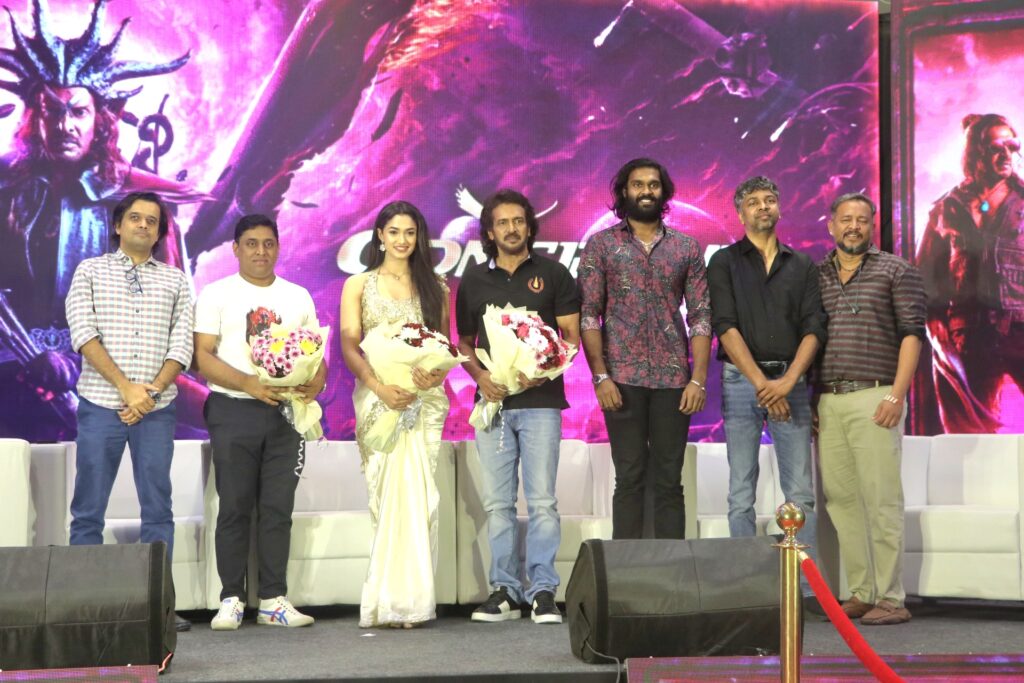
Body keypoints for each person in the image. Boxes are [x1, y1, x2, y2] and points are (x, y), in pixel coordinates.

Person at [0, 0, 204, 441]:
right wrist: (32, 359)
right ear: (35, 118)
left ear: (99, 121)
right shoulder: (7, 195)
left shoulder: (138, 203)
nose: (65, 125)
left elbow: (166, 313)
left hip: (121, 373)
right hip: (15, 371)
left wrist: (88, 362)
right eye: (52, 111)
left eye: (78, 112)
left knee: (214, 427)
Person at [65, 191, 193, 629]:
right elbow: (83, 333)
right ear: (118, 225)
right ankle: (82, 607)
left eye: (151, 221)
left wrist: (149, 393)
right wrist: (126, 388)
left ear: (159, 233)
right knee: (88, 509)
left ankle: (156, 609)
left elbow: (182, 345)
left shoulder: (175, 280)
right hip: (101, 404)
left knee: (157, 509)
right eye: (135, 218)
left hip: (156, 410)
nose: (143, 225)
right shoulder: (90, 271)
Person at [194, 214, 325, 630]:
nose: (260, 251)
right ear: (236, 248)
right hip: (233, 408)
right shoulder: (216, 293)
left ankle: (273, 599)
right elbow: (202, 357)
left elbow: (315, 353)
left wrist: (316, 383)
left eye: (268, 243)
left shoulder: (297, 295)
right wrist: (248, 384)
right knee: (234, 506)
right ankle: (231, 598)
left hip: (286, 413)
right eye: (251, 243)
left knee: (277, 508)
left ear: (278, 248)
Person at [456, 189, 580, 624]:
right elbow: (464, 343)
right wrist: (480, 377)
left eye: (518, 221)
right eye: (502, 223)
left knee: (543, 501)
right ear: (489, 232)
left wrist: (544, 370)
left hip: (542, 402)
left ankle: (543, 591)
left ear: (529, 226)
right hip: (493, 406)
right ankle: (505, 591)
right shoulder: (474, 279)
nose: (511, 229)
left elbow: (570, 337)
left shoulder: (554, 273)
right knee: (498, 504)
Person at [707, 176, 826, 606]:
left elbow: (815, 327)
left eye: (770, 200)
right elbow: (724, 325)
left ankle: (806, 590)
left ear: (779, 208)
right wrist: (764, 386)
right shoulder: (723, 262)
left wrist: (788, 383)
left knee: (801, 493)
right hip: (743, 383)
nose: (763, 207)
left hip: (791, 381)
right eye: (754, 202)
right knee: (741, 490)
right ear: (740, 213)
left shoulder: (802, 264)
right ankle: (746, 589)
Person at [577, 157, 711, 539]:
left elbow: (701, 316)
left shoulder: (686, 247)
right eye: (638, 184)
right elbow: (589, 315)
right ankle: (625, 570)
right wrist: (600, 377)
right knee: (629, 477)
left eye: (653, 184)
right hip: (621, 380)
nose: (646, 191)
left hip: (674, 381)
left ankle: (672, 568)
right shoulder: (601, 245)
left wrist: (698, 380)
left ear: (663, 192)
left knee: (669, 480)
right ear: (625, 191)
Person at [339, 200, 451, 628]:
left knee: (421, 498)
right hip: (378, 397)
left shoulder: (436, 287)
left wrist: (432, 375)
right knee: (385, 496)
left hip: (423, 400)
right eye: (394, 232)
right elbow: (350, 344)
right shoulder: (359, 285)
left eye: (410, 232)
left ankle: (415, 603)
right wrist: (379, 386)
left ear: (419, 237)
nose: (402, 240)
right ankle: (385, 601)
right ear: (380, 236)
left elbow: (443, 346)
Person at [817, 193, 925, 626]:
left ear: (872, 225)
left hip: (876, 396)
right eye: (846, 219)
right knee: (842, 501)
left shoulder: (897, 270)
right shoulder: (817, 274)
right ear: (831, 225)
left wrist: (897, 395)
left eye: (862, 220)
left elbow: (912, 334)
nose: (853, 227)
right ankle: (861, 592)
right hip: (828, 399)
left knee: (881, 500)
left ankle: (892, 598)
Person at [916, 113, 1024, 433]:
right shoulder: (947, 208)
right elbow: (922, 277)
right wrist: (934, 320)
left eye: (1011, 146)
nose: (1005, 155)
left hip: (1019, 328)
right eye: (995, 148)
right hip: (970, 337)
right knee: (968, 434)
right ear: (975, 153)